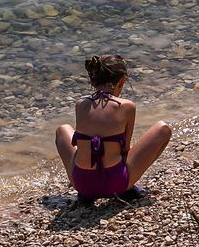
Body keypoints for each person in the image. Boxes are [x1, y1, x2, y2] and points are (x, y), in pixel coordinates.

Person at [53, 54, 171, 202]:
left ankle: (85, 193)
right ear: (121, 81)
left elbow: (81, 146)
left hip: (82, 183)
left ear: (93, 79)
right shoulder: (126, 106)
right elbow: (125, 149)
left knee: (63, 129)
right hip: (115, 183)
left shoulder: (80, 104)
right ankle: (128, 188)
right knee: (164, 129)